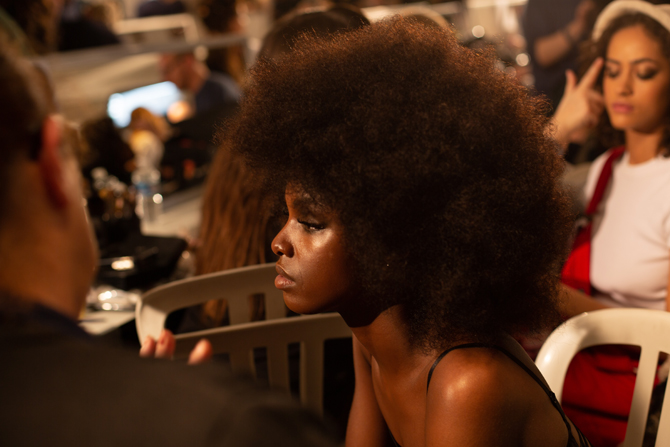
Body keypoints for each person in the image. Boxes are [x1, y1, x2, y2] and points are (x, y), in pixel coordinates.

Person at [220, 18, 590, 447]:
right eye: (286, 218)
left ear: (392, 238)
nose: (279, 243)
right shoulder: (372, 340)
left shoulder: (467, 384)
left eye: (311, 223)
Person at [0, 39, 338, 447]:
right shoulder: (233, 426)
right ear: (52, 166)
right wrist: (156, 399)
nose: (278, 242)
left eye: (310, 223)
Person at [550, 1, 670, 445]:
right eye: (613, 71)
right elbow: (503, 199)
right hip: (580, 376)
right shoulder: (605, 167)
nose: (623, 86)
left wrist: (560, 300)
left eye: (644, 72)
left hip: (638, 405)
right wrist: (559, 129)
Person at [524, 0, 601, 110]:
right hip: (553, 101)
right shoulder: (539, 4)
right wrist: (579, 25)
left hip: (595, 95)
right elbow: (543, 55)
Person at [159, 51, 241, 116]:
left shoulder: (219, 90)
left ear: (187, 60)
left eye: (168, 70)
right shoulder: (197, 97)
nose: (166, 78)